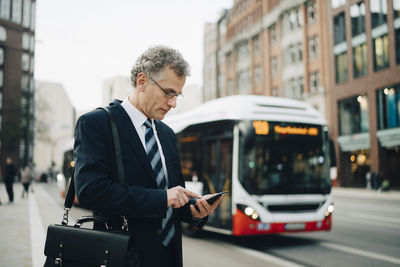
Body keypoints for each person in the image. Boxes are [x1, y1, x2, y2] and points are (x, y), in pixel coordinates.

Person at [74, 46, 223, 267]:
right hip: (124, 256)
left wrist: (195, 211)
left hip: (170, 258)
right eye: (168, 92)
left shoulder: (167, 134)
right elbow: (90, 191)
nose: (173, 103)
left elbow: (174, 197)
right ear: (142, 82)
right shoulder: (97, 123)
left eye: (177, 95)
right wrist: (162, 198)